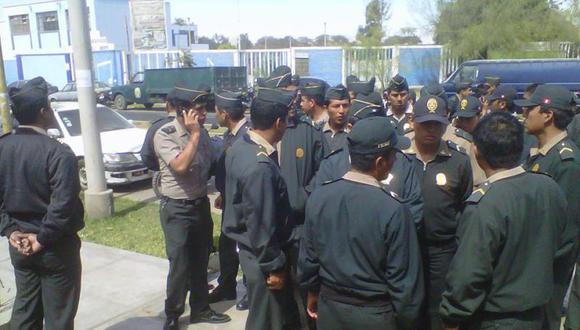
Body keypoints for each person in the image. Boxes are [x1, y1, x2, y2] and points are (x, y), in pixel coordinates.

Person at [439, 112, 569, 330]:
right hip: (537, 314)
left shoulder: (485, 204)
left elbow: (468, 273)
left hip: (495, 319)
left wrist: (452, 316)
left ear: (476, 151)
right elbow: (562, 243)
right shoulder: (549, 188)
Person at [299, 116, 424, 330]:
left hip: (330, 310)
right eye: (394, 155)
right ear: (380, 162)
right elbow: (404, 282)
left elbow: (309, 260)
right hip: (375, 315)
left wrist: (312, 291)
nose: (396, 160)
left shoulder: (319, 198)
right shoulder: (394, 209)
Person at [0, 77, 84, 329]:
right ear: (42, 112)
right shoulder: (58, 153)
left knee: (26, 313)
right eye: (49, 106)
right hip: (54, 248)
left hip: (20, 246)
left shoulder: (3, 146)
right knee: (59, 317)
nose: (51, 111)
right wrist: (41, 239)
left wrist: (12, 231)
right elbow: (63, 205)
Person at [223, 87, 300, 330]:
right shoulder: (260, 167)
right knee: (269, 321)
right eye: (287, 120)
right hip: (262, 258)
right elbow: (261, 225)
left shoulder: (241, 146)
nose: (288, 125)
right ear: (279, 122)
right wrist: (274, 267)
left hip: (251, 252)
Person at [154, 85, 230, 329]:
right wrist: (195, 135)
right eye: (198, 110)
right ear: (182, 111)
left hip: (199, 205)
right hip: (176, 209)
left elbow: (211, 163)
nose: (204, 114)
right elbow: (180, 166)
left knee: (200, 261)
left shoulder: (203, 133)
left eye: (205, 109)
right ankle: (173, 313)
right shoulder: (165, 134)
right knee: (180, 265)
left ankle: (200, 309)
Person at [404, 95, 473, 330]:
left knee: (438, 309)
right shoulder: (400, 157)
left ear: (446, 125)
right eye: (425, 124)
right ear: (413, 122)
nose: (431, 130)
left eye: (436, 124)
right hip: (404, 247)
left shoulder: (458, 161)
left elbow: (464, 207)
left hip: (441, 250)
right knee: (408, 307)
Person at [515, 85, 579, 330]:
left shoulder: (566, 162)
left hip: (546, 275)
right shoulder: (540, 156)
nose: (524, 114)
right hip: (530, 269)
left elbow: (566, 232)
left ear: (547, 114)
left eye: (530, 109)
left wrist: (534, 263)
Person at [314, 92, 423, 229]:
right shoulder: (332, 165)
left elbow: (414, 212)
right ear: (350, 128)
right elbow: (320, 213)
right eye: (369, 128)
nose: (377, 132)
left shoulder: (400, 162)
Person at [208, 90, 251, 310]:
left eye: (216, 111)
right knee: (226, 246)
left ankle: (250, 290)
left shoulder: (247, 134)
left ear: (225, 113)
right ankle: (227, 286)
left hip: (244, 203)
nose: (214, 114)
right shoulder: (230, 133)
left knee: (244, 248)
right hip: (230, 201)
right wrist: (223, 194)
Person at [448, 96, 486, 187]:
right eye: (461, 118)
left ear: (480, 115)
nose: (464, 123)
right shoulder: (455, 137)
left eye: (468, 119)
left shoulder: (487, 136)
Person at [322, 84, 350, 151]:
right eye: (336, 106)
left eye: (345, 106)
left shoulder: (354, 132)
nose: (341, 111)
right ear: (326, 108)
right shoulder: (318, 132)